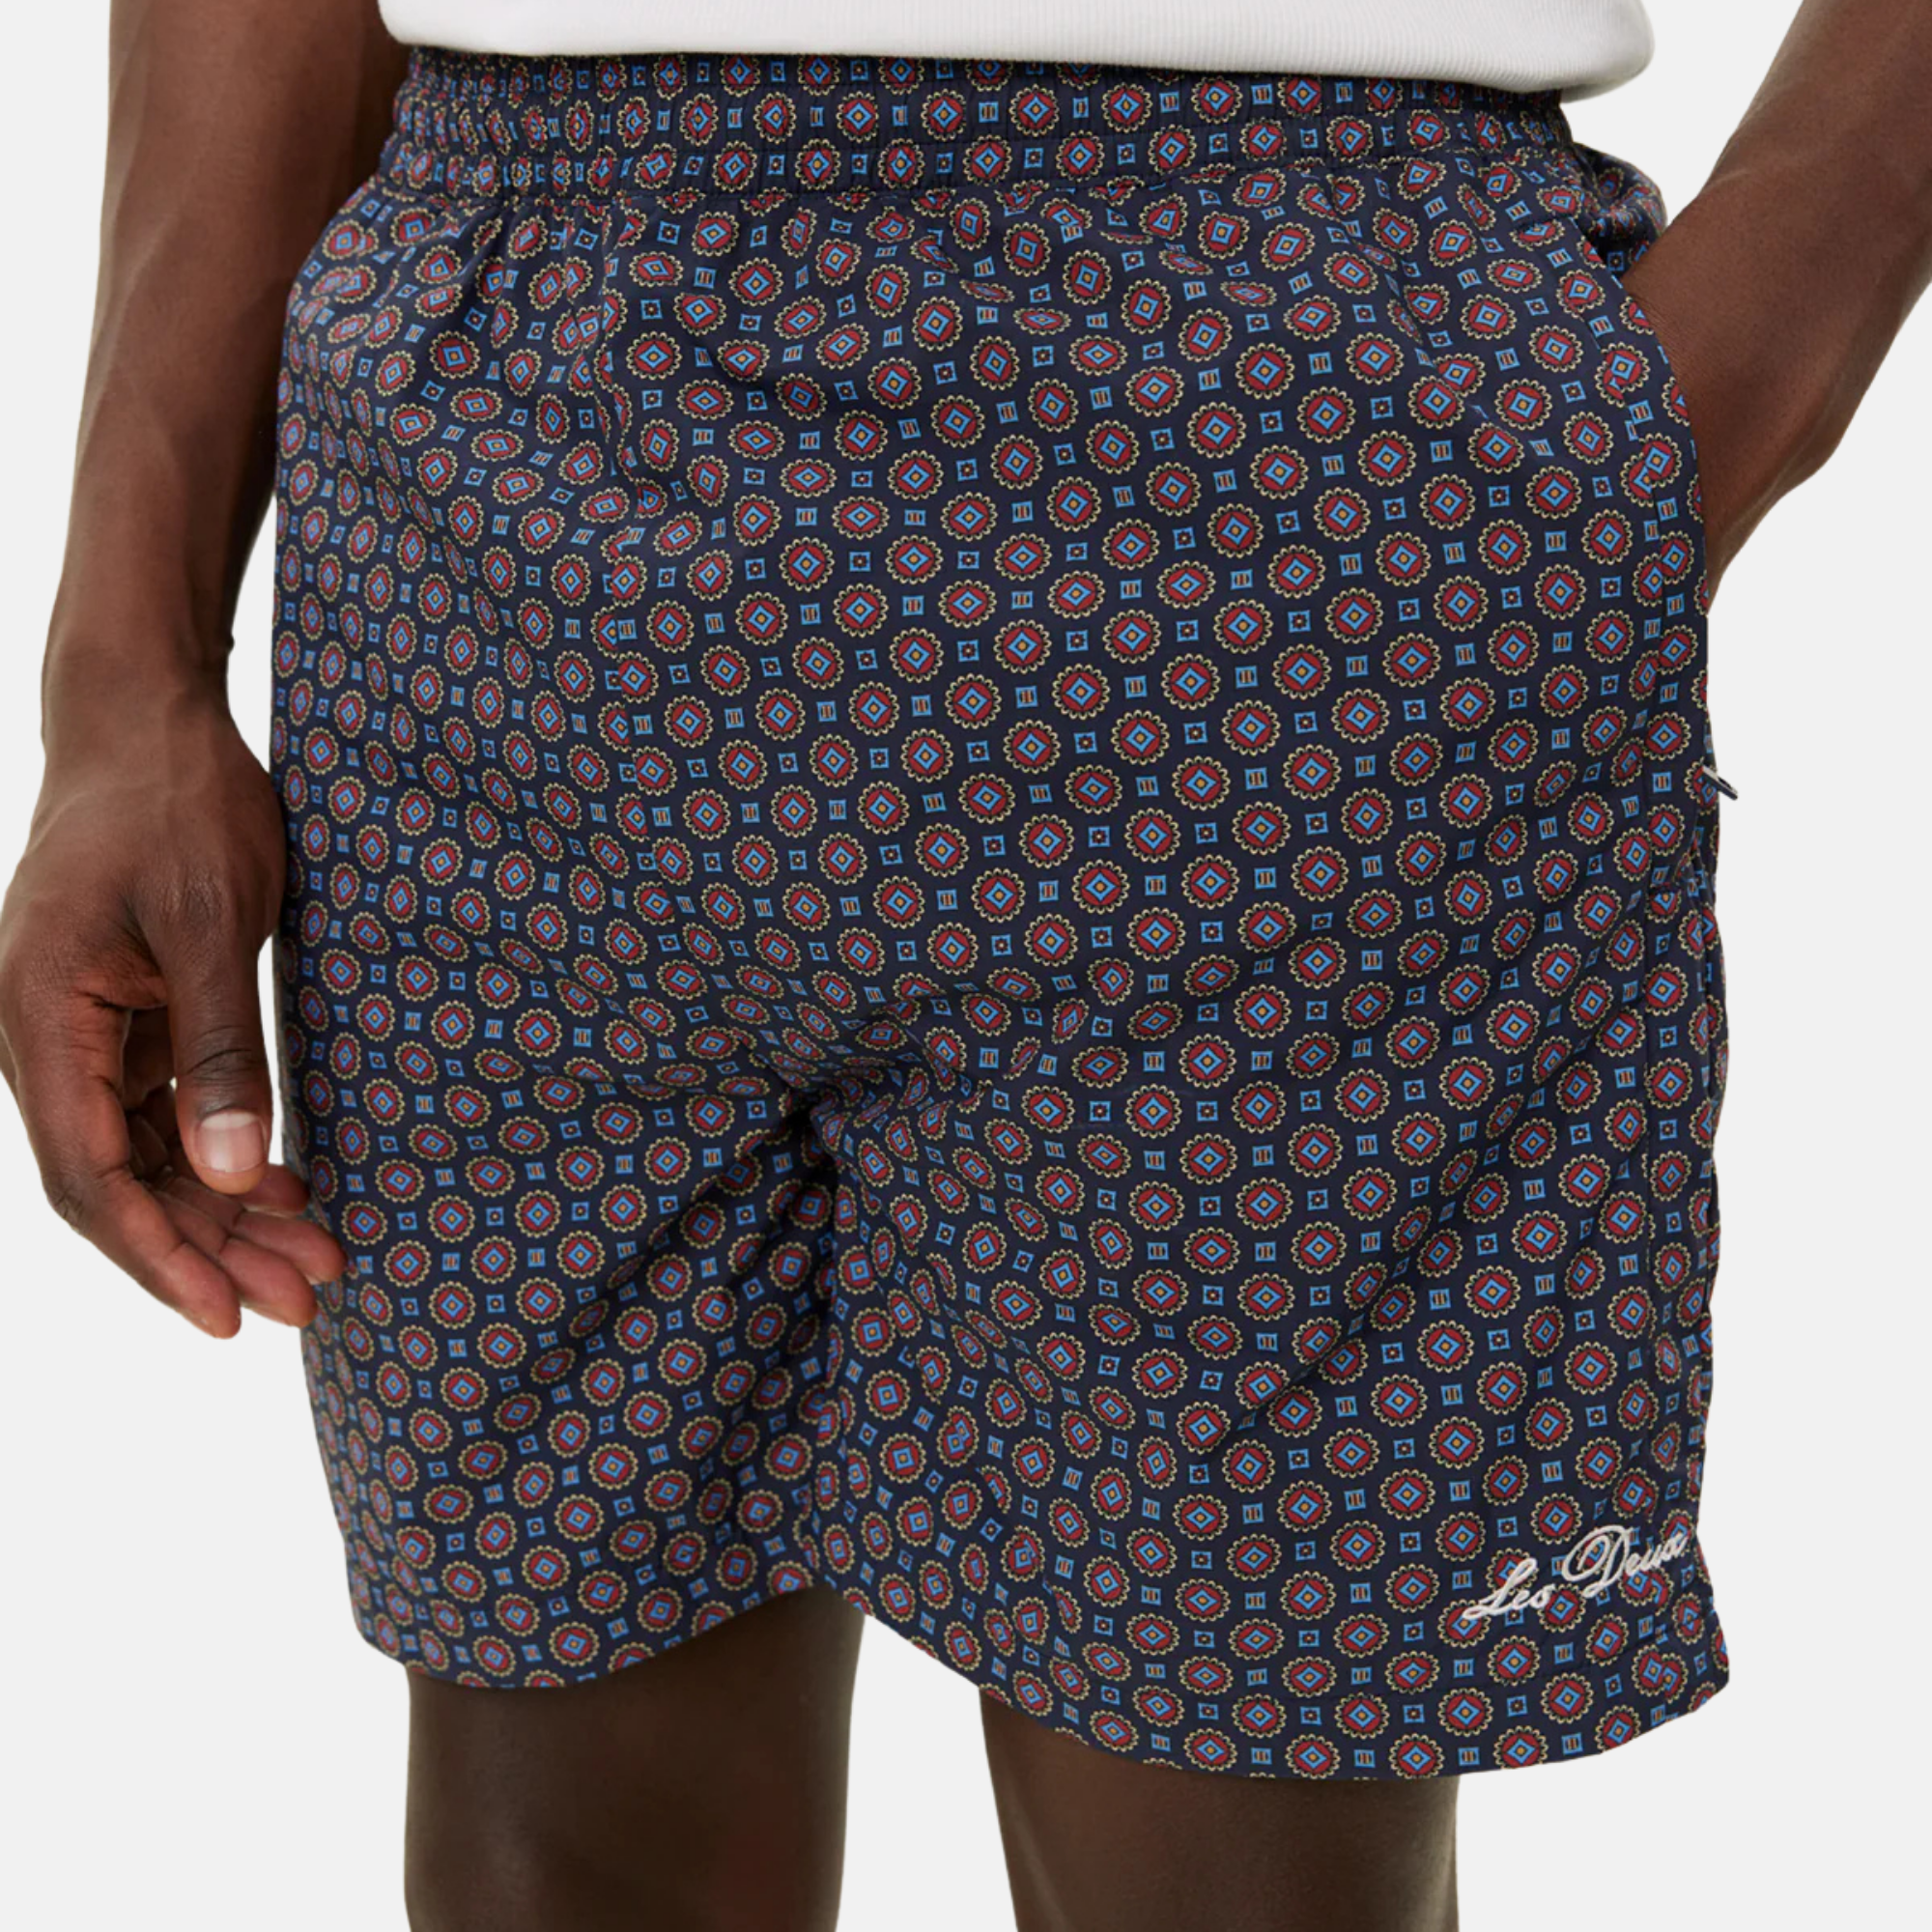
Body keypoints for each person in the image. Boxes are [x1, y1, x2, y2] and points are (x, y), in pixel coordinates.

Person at [0, 1, 1924, 1925]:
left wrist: (1705, 400)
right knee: (557, 1823)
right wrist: (124, 667)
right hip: (507, 481)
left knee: (1237, 1840)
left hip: (1306, 451)